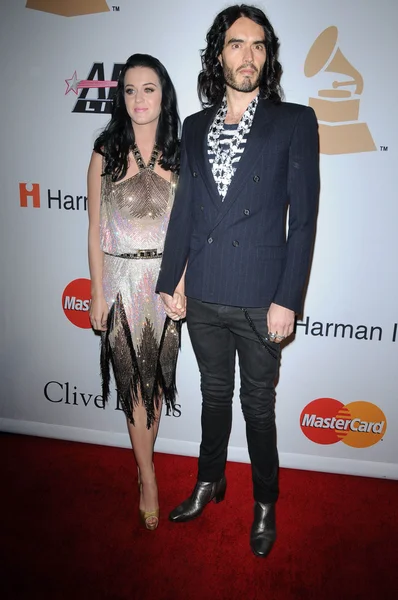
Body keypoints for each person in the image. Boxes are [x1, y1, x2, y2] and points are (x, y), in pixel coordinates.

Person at [156, 4, 319, 556]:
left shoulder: (295, 121)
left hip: (260, 297)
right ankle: (210, 479)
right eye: (235, 43)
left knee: (258, 406)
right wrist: (170, 277)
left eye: (257, 45)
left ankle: (265, 501)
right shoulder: (195, 125)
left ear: (267, 56)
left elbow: (305, 219)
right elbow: (186, 210)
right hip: (203, 290)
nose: (246, 55)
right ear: (218, 54)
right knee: (213, 394)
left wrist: (287, 299)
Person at [87, 53, 184, 531]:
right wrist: (97, 293)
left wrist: (181, 285)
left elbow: (187, 230)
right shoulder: (105, 152)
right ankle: (147, 476)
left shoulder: (180, 154)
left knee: (156, 384)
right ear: (119, 96)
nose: (138, 98)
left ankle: (145, 467)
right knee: (133, 388)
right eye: (129, 89)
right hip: (121, 284)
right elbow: (94, 231)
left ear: (163, 94)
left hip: (165, 290)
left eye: (148, 88)